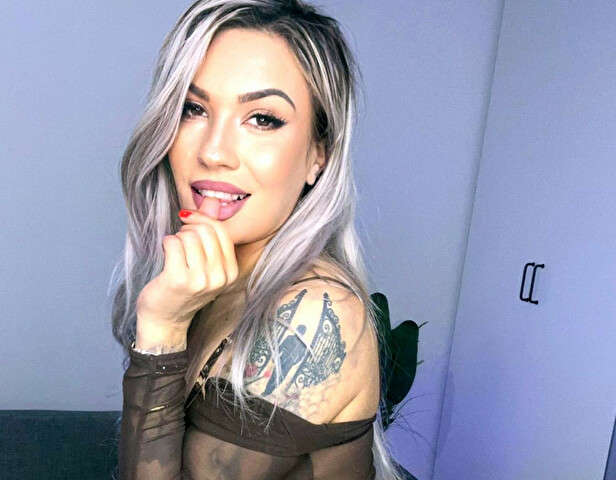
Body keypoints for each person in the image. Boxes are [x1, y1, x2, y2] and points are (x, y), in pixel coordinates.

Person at [110, 1, 403, 478]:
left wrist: (162, 332)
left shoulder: (313, 312)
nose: (214, 151)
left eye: (262, 119)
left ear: (318, 155)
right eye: (193, 109)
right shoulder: (207, 284)